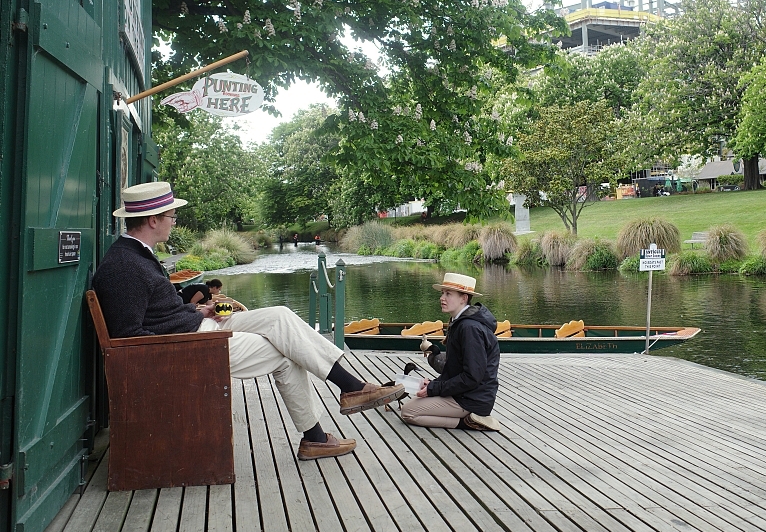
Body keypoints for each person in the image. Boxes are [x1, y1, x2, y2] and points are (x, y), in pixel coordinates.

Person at [92, 182, 404, 460]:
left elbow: (160, 314)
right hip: (190, 347)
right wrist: (191, 328)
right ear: (153, 219)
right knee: (287, 352)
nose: (175, 223)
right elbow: (128, 336)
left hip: (198, 328)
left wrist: (198, 311)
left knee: (280, 317)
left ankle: (347, 394)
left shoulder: (137, 256)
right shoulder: (125, 267)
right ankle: (321, 430)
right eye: (172, 217)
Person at [400, 273, 501, 431]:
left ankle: (469, 421)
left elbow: (472, 377)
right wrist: (435, 384)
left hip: (473, 399)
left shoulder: (469, 328)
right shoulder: (460, 323)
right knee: (415, 402)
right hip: (466, 394)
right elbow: (456, 369)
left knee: (408, 412)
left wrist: (435, 389)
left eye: (448, 294)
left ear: (464, 298)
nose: (442, 298)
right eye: (442, 293)